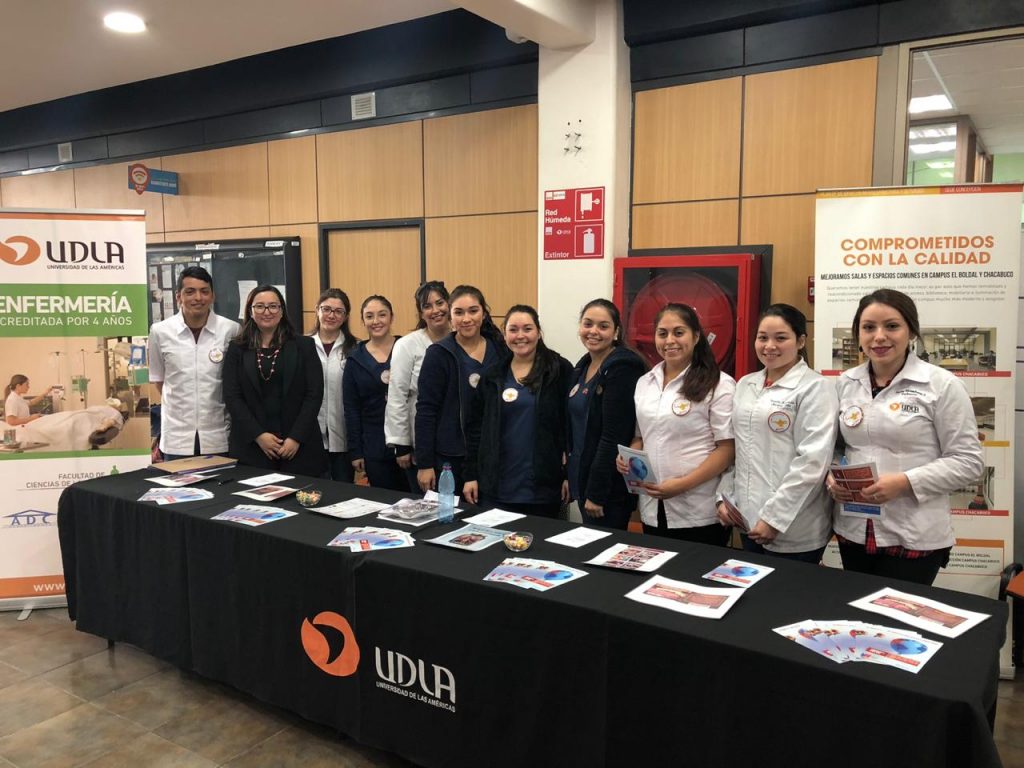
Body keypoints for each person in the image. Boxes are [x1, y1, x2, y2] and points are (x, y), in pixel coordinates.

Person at [830, 289, 983, 585]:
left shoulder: (941, 385)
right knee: (855, 610)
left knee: (899, 613)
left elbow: (968, 462)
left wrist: (905, 482)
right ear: (858, 334)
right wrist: (833, 477)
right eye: (869, 327)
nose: (879, 337)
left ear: (911, 331)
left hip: (913, 533)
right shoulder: (845, 383)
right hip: (855, 530)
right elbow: (836, 448)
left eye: (892, 326)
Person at [717, 304, 837, 563]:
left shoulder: (816, 388)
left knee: (787, 588)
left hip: (795, 525)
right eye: (762, 337)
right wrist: (723, 498)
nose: (769, 346)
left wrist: (774, 518)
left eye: (780, 338)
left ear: (801, 341)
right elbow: (737, 450)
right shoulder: (746, 384)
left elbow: (812, 462)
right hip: (747, 518)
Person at [617, 303, 735, 544]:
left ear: (696, 336)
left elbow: (727, 449)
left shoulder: (719, 384)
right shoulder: (645, 382)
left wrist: (682, 485)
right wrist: (629, 456)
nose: (670, 340)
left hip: (700, 510)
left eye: (679, 332)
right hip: (652, 505)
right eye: (662, 333)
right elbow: (641, 435)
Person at [463, 305, 573, 517]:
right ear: (504, 335)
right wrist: (470, 475)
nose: (520, 336)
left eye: (527, 329)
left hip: (543, 487)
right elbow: (475, 429)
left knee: (540, 538)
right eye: (513, 330)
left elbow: (571, 427)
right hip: (496, 486)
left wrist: (570, 475)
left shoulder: (559, 370)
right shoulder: (493, 375)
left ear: (538, 332)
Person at [222, 285, 326, 476]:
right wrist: (258, 435)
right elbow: (232, 396)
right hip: (252, 446)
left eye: (273, 306)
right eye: (260, 306)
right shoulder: (237, 348)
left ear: (282, 311)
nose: (267, 312)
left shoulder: (304, 346)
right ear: (250, 311)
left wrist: (296, 437)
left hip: (298, 446)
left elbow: (314, 393)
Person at [415, 285, 504, 493]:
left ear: (484, 313)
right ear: (450, 316)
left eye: (473, 311)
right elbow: (426, 410)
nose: (466, 319)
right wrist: (425, 463)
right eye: (459, 312)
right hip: (450, 456)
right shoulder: (438, 354)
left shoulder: (500, 350)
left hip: (493, 454)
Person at [566, 299, 646, 530]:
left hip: (607, 489)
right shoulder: (582, 367)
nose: (594, 331)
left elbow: (614, 435)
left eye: (603, 326)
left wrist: (597, 492)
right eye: (588, 324)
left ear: (616, 331)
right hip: (582, 478)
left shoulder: (623, 369)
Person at [147, 266, 239, 460]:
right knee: (178, 482)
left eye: (204, 291)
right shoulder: (160, 332)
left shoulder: (231, 330)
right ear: (178, 296)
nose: (198, 298)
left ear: (212, 296)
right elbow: (160, 380)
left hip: (218, 436)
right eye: (190, 292)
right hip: (176, 438)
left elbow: (235, 383)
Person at [385, 281, 451, 491]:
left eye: (440, 303)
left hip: (455, 441)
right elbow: (397, 395)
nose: (435, 310)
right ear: (421, 313)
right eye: (427, 306)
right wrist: (402, 444)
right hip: (420, 440)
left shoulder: (461, 338)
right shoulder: (407, 345)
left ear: (449, 304)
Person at [343, 295, 408, 491]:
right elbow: (351, 408)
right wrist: (356, 451)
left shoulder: (406, 348)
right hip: (374, 444)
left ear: (391, 317)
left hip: (408, 441)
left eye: (382, 315)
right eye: (369, 316)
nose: (376, 321)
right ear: (363, 321)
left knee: (415, 501)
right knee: (383, 500)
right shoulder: (355, 359)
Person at [310, 288, 358, 481]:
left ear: (345, 316)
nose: (331, 315)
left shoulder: (356, 348)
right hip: (310, 438)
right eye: (326, 309)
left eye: (339, 311)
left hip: (344, 437)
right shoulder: (303, 345)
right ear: (317, 310)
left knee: (343, 491)